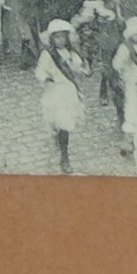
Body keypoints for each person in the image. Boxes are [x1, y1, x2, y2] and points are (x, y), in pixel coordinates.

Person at [36, 20, 88, 174]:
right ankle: (59, 142)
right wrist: (45, 77)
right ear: (52, 39)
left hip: (68, 92)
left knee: (65, 124)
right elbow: (40, 71)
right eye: (57, 37)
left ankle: (64, 156)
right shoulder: (47, 55)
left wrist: (81, 67)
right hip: (54, 91)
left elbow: (78, 68)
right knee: (56, 122)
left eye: (63, 37)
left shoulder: (71, 53)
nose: (61, 41)